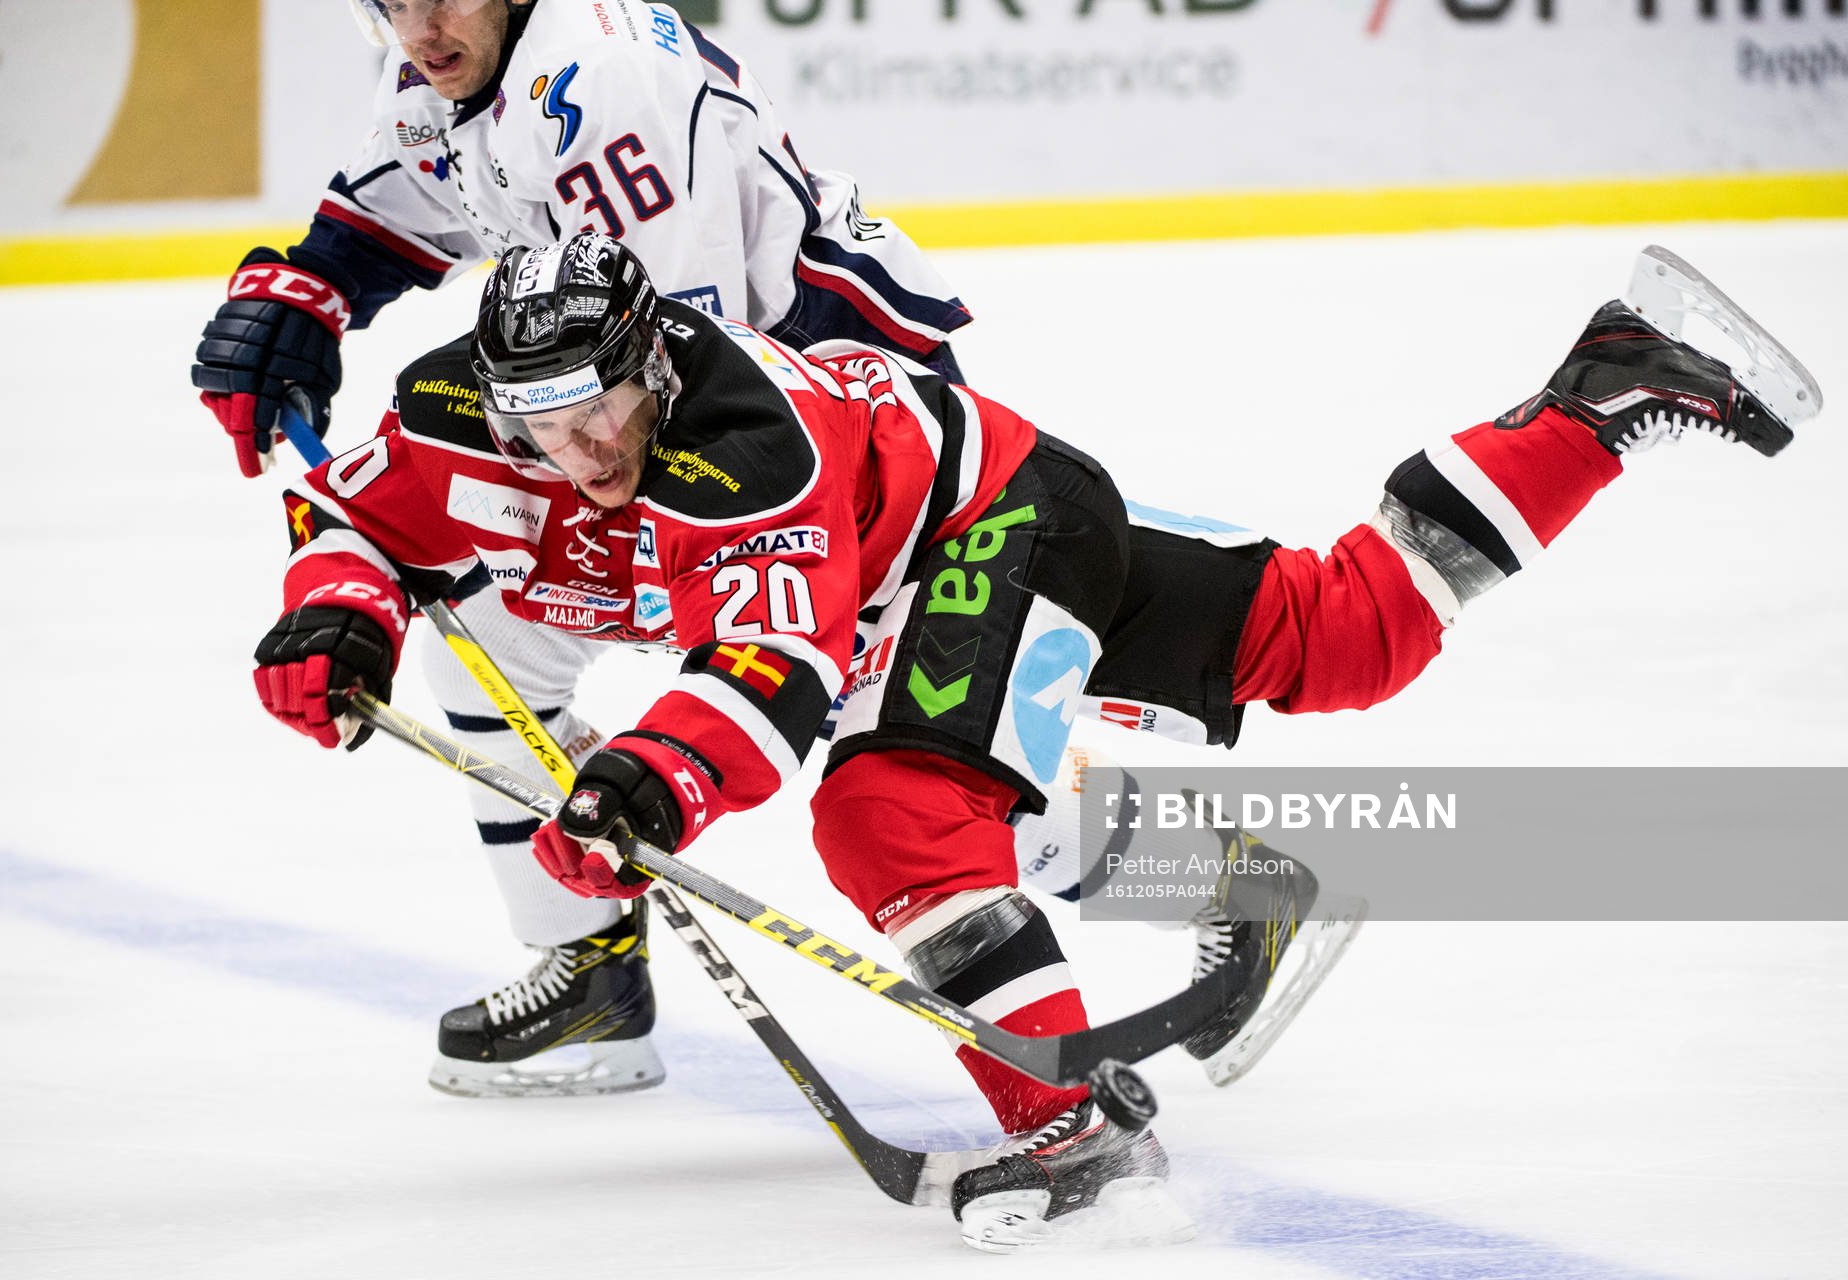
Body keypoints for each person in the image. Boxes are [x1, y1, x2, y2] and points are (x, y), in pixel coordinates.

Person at [250, 232, 1817, 1249]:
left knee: (889, 808)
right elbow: (352, 521)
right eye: (541, 420)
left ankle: (1064, 1123)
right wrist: (336, 620)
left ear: (654, 360)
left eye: (602, 405)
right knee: (1350, 636)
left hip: (983, 528)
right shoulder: (460, 414)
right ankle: (1606, 388)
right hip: (968, 512)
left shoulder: (743, 446)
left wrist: (647, 782)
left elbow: (774, 668)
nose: (582, 446)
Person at [192, 0, 975, 1096]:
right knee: (492, 638)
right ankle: (592, 970)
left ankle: (1221, 875)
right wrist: (311, 289)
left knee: (922, 754)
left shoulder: (601, 83)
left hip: (851, 452)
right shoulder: (453, 63)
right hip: (688, 437)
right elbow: (400, 209)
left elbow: (685, 365)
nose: (418, 26)